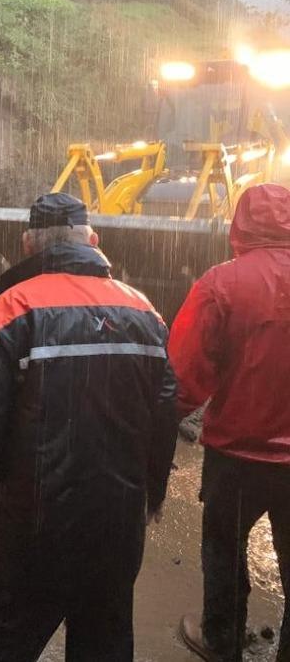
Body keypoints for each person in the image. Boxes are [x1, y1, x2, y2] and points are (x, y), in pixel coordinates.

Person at [0, 191, 178, 662]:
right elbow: (163, 421)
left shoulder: (11, 311)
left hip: (27, 538)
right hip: (115, 536)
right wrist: (150, 497)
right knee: (103, 645)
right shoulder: (146, 313)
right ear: (93, 241)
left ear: (28, 245)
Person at [170, 183, 290, 662]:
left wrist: (162, 423)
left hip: (236, 456)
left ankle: (221, 640)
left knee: (223, 549)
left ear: (240, 224)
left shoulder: (220, 283)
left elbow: (186, 373)